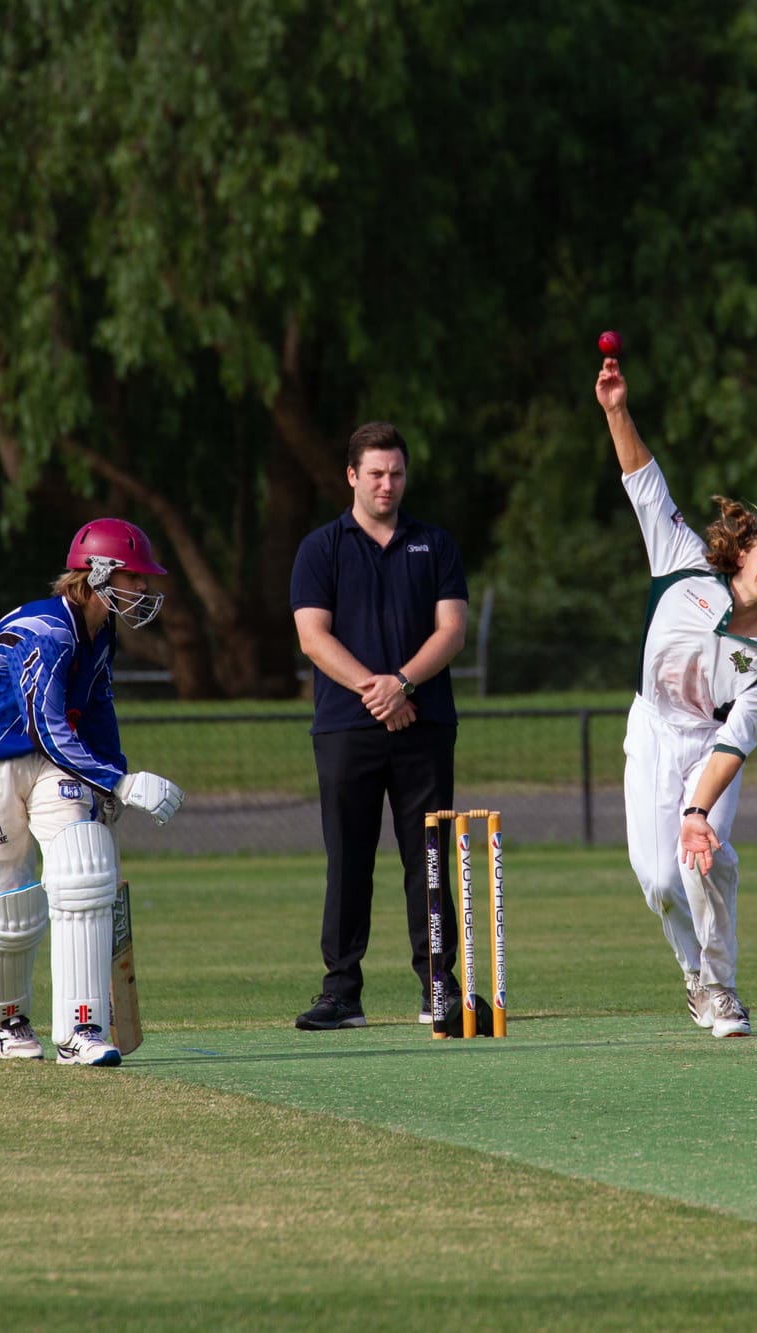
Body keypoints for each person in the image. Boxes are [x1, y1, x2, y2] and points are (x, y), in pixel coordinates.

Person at [594, 354, 757, 1038]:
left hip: (709, 748)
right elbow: (643, 481)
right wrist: (616, 410)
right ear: (745, 546)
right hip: (652, 729)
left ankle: (719, 988)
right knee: (659, 880)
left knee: (704, 857)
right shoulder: (681, 562)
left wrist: (698, 810)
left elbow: (732, 745)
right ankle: (692, 973)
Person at [0, 518, 186, 1067]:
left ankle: (82, 1029)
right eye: (136, 579)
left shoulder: (100, 631)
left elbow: (97, 710)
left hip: (49, 762)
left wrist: (111, 781)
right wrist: (120, 782)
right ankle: (8, 1017)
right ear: (99, 574)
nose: (145, 591)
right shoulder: (48, 633)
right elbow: (47, 726)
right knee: (13, 902)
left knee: (85, 864)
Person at [290, 421, 470, 1033]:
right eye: (375, 474)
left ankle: (438, 986)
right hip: (347, 726)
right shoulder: (322, 547)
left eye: (395, 473)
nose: (386, 484)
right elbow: (313, 637)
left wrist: (404, 684)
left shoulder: (435, 544)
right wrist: (377, 689)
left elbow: (452, 630)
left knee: (428, 859)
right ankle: (342, 992)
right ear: (352, 477)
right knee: (349, 860)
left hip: (424, 721)